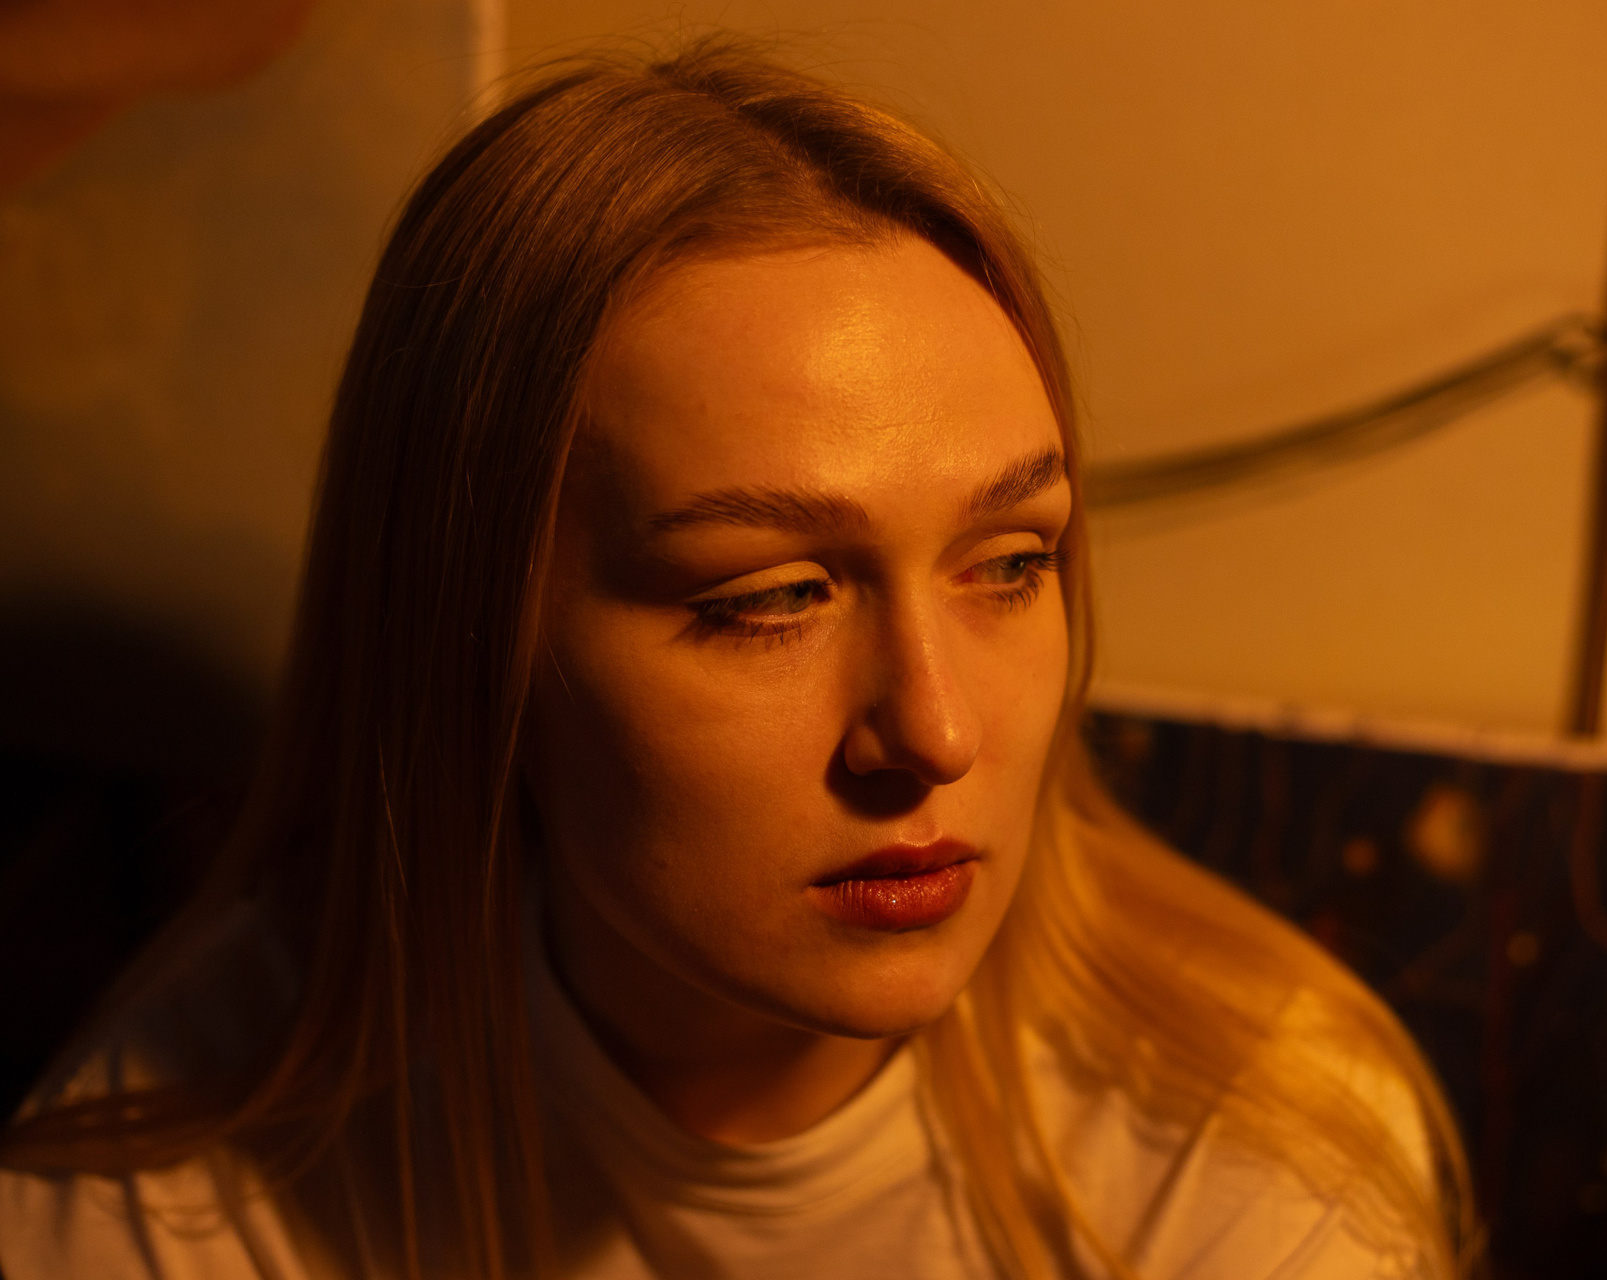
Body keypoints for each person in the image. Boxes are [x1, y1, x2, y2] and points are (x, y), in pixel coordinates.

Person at [0, 41, 1472, 1280]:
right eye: (772, 597)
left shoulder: (1248, 1160)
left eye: (1011, 564)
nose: (937, 732)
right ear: (474, 641)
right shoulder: (176, 1190)